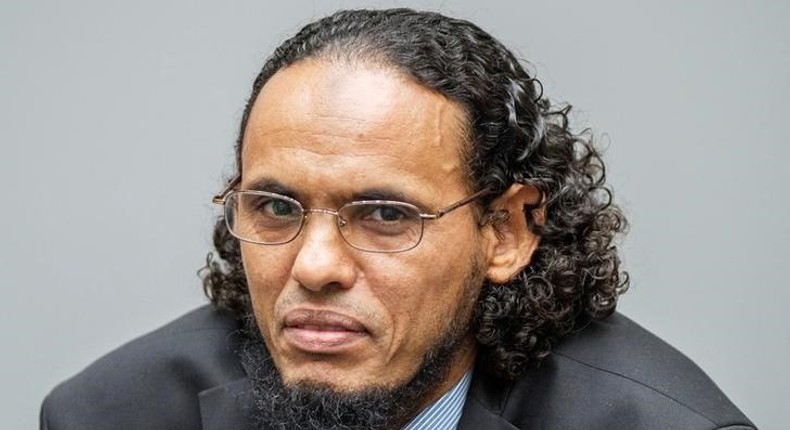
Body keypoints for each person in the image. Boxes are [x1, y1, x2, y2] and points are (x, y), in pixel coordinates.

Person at [40, 8, 754, 430]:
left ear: (505, 232)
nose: (315, 267)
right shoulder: (112, 414)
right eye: (276, 207)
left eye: (384, 214)